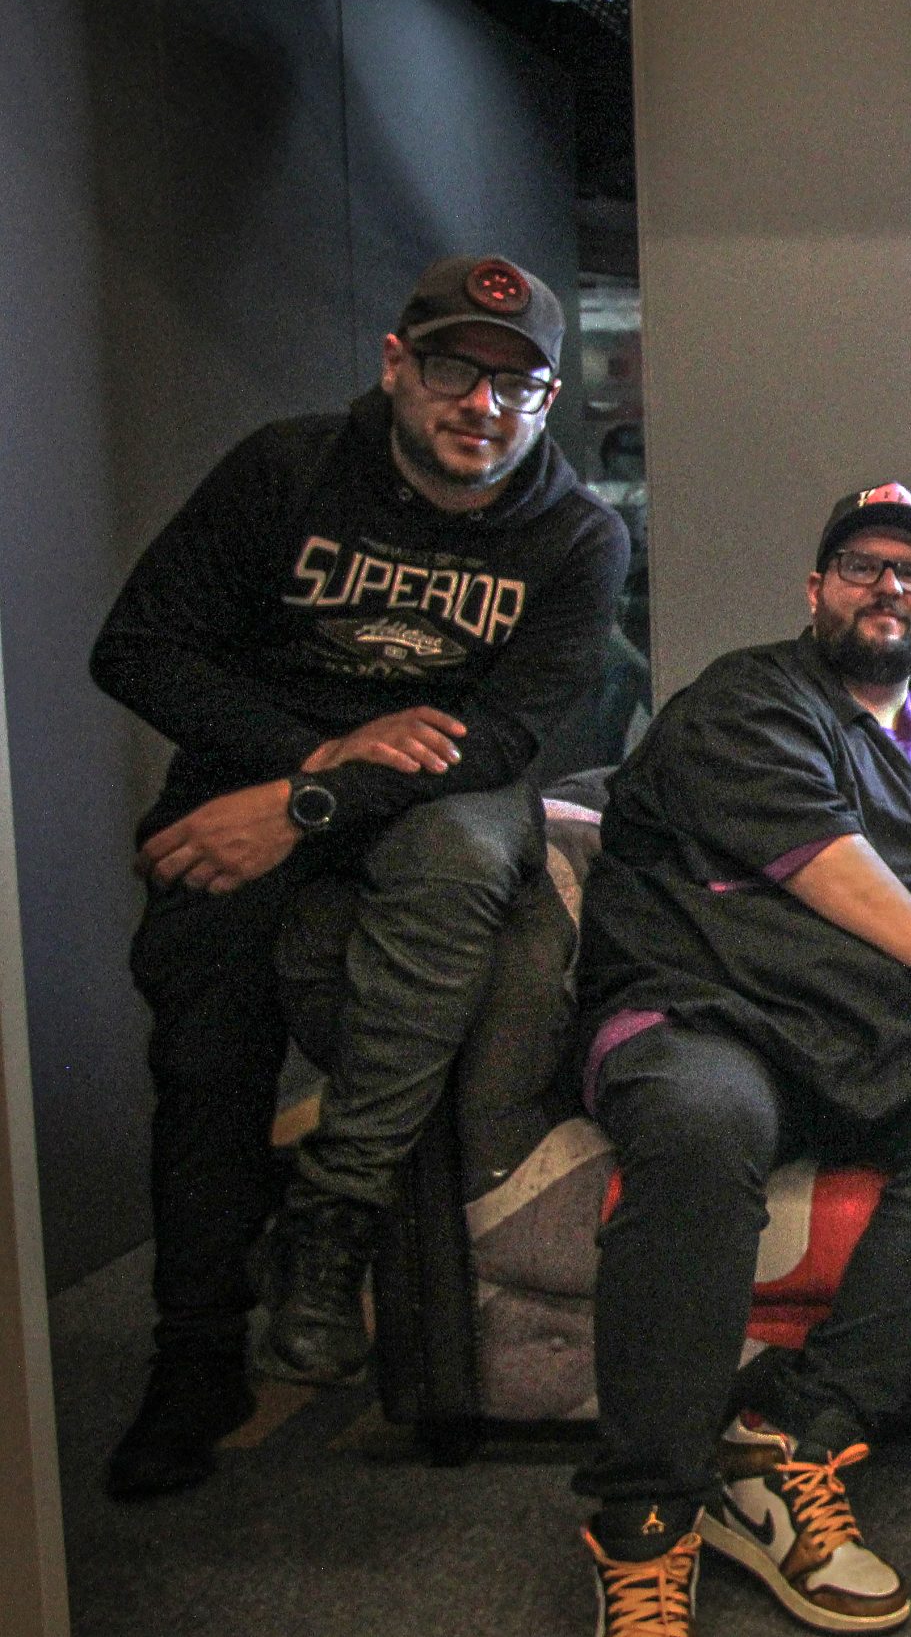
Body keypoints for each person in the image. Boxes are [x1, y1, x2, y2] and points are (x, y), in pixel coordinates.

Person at [89, 254, 628, 1498]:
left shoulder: (575, 535)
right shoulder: (285, 471)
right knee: (206, 1053)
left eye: (515, 383)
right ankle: (195, 1356)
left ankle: (332, 1215)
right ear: (396, 365)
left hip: (434, 795)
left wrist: (315, 799)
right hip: (244, 783)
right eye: (452, 368)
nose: (480, 404)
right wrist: (301, 765)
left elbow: (501, 738)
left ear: (548, 401)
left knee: (461, 855)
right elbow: (138, 647)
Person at [567, 483, 911, 1636]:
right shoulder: (746, 697)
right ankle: (644, 1517)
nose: (887, 586)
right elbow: (816, 846)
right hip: (707, 1013)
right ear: (814, 589)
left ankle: (790, 1436)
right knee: (701, 1128)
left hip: (869, 1039)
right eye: (860, 565)